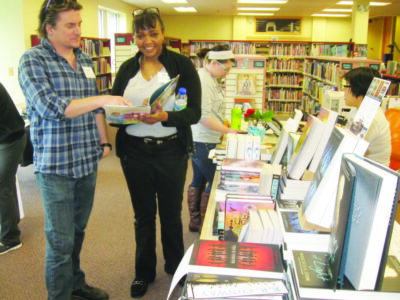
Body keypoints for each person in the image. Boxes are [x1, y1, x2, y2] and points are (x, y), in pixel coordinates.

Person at [18, 1, 132, 299]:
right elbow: (51, 108)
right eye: (70, 25)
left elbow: (94, 106)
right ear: (49, 27)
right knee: (60, 239)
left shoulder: (84, 59)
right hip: (55, 165)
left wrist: (105, 141)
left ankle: (75, 283)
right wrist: (103, 99)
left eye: (79, 24)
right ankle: (60, 295)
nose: (78, 30)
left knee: (77, 231)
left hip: (86, 160)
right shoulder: (33, 60)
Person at [111, 7, 201, 298]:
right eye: (141, 35)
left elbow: (194, 113)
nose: (147, 40)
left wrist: (166, 117)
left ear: (163, 34)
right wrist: (126, 114)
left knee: (171, 215)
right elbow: (113, 109)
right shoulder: (127, 69)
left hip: (170, 151)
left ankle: (175, 267)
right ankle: (144, 272)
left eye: (153, 33)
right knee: (143, 215)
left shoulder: (181, 65)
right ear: (135, 38)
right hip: (134, 152)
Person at [188, 45, 239, 232]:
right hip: (203, 140)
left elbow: (212, 112)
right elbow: (203, 117)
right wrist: (227, 130)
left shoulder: (210, 78)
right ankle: (207, 224)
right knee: (216, 181)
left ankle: (196, 222)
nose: (227, 73)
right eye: (226, 69)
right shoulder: (203, 81)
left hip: (203, 138)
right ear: (215, 63)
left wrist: (223, 124)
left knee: (199, 180)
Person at [343, 67, 391, 166]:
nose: (343, 91)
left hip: (371, 173)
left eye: (346, 86)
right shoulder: (357, 110)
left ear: (359, 89)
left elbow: (349, 150)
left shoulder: (371, 117)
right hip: (359, 166)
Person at [0, 83, 26, 255]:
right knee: (6, 185)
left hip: (10, 140)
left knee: (2, 187)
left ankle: (10, 238)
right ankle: (12, 221)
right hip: (5, 138)